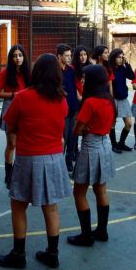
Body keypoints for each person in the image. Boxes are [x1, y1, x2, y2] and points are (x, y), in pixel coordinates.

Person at [0, 54, 72, 269]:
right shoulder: (61, 98)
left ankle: (18, 254)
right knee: (51, 207)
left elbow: (11, 126)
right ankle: (52, 254)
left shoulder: (23, 97)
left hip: (29, 157)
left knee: (18, 205)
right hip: (54, 157)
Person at [67, 65, 116, 246]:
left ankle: (86, 236)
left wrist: (83, 128)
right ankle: (102, 231)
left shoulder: (90, 102)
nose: (83, 80)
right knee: (100, 189)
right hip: (105, 144)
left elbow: (77, 130)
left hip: (90, 147)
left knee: (79, 192)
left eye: (85, 78)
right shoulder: (109, 100)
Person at [0, 45, 30, 188]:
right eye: (15, 56)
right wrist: (13, 95)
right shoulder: (6, 73)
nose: (18, 58)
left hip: (26, 108)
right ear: (11, 58)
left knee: (24, 143)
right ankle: (8, 174)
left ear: (24, 57)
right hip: (10, 107)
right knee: (12, 143)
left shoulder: (28, 72)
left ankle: (19, 172)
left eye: (20, 55)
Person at [108, 48, 135, 153]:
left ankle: (121, 143)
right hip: (113, 99)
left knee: (129, 124)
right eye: (118, 57)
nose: (120, 59)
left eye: (121, 57)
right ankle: (114, 145)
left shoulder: (123, 68)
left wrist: (127, 64)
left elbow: (132, 76)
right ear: (113, 58)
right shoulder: (109, 69)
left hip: (123, 99)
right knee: (112, 123)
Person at [59, 44, 80, 173]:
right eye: (66, 56)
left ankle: (69, 161)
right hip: (62, 110)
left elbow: (74, 86)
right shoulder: (55, 71)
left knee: (73, 136)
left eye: (70, 55)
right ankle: (59, 163)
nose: (69, 58)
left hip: (73, 107)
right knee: (63, 138)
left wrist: (77, 97)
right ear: (59, 56)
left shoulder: (71, 70)